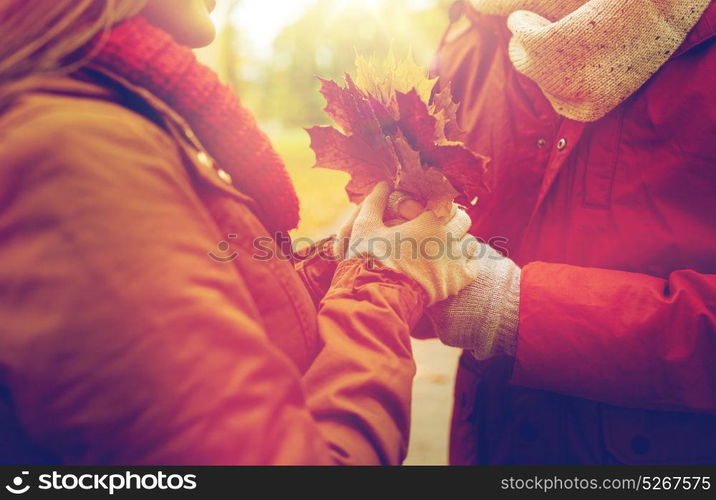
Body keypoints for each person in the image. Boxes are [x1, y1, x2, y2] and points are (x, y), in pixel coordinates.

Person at [0, 0, 480, 465]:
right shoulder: (78, 154)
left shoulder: (103, 110)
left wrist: (340, 262)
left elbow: (224, 323)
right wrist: (385, 279)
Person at [423, 0, 716, 464]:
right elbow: (453, 220)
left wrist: (515, 312)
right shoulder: (474, 37)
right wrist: (398, 259)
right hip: (492, 439)